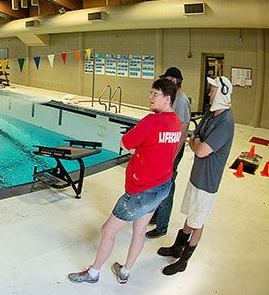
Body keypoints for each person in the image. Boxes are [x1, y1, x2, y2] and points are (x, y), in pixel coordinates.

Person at [68, 78, 182, 284]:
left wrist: (139, 150)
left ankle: (93, 273)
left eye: (155, 94)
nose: (150, 97)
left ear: (167, 99)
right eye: (151, 93)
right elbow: (162, 148)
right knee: (139, 231)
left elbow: (125, 142)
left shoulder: (151, 121)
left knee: (107, 231)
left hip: (141, 192)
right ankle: (125, 272)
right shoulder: (176, 121)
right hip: (162, 187)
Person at [158, 76, 234, 276]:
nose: (209, 93)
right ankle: (177, 247)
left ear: (222, 94)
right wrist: (197, 142)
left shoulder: (226, 122)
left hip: (208, 183)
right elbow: (194, 137)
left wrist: (198, 143)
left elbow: (200, 150)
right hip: (196, 177)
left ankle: (184, 260)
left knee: (198, 221)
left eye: (212, 90)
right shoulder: (211, 115)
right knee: (191, 215)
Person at [147, 67, 191, 238]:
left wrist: (172, 157)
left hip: (173, 153)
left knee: (167, 187)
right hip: (166, 151)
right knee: (159, 184)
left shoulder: (181, 101)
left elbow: (183, 130)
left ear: (173, 81)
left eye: (166, 80)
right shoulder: (173, 98)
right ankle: (156, 216)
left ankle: (162, 226)